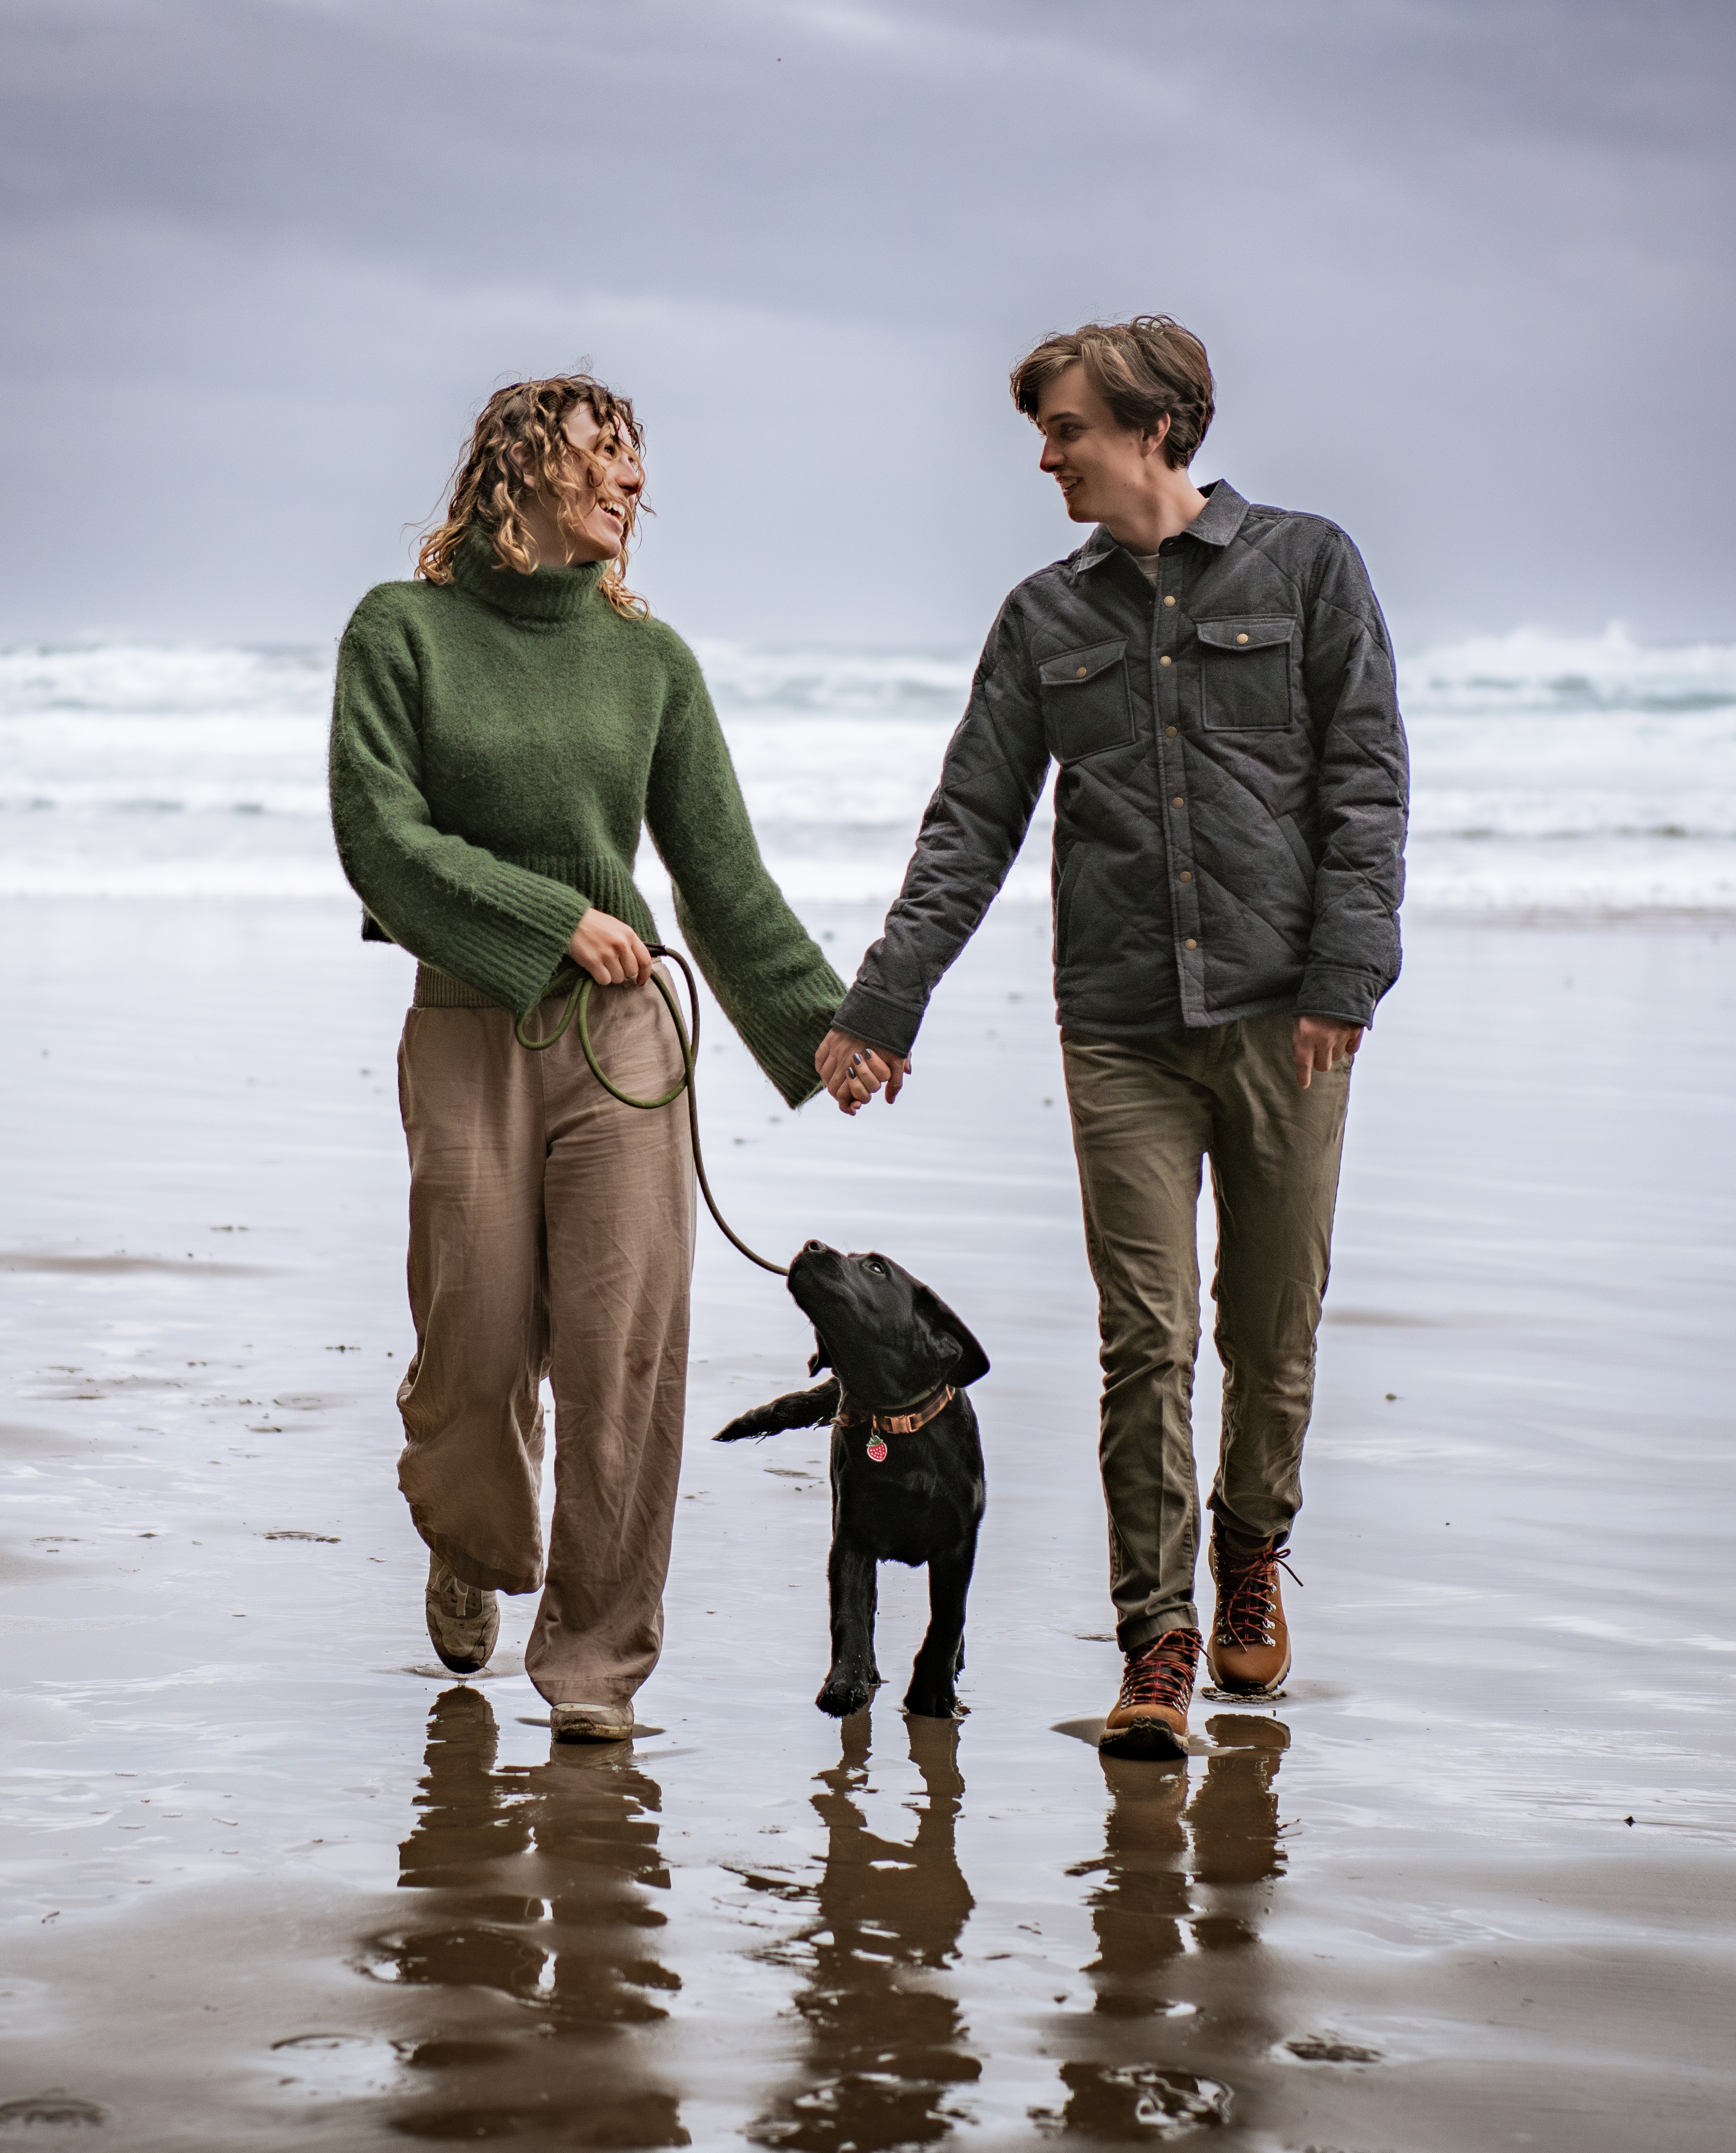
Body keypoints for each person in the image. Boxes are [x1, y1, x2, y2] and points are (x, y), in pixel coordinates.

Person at [815, 318, 1408, 1760]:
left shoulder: (1309, 566)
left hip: (1287, 1017)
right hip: (1123, 1029)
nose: (1046, 455)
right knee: (1146, 1338)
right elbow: (969, 825)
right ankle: (1158, 1640)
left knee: (1273, 1324)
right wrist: (884, 1004)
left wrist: (1345, 973)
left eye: (1066, 426)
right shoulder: (1040, 620)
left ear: (1152, 425)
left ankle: (1251, 1542)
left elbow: (1366, 783)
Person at [329, 376, 844, 1743]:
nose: (629, 487)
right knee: (474, 1343)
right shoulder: (402, 634)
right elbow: (379, 841)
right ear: (518, 471)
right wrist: (556, 915)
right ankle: (468, 1530)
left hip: (626, 1046)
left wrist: (828, 1028)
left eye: (636, 464)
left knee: (622, 1356)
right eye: (599, 459)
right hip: (468, 1027)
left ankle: (595, 1669)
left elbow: (724, 880)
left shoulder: (649, 661)